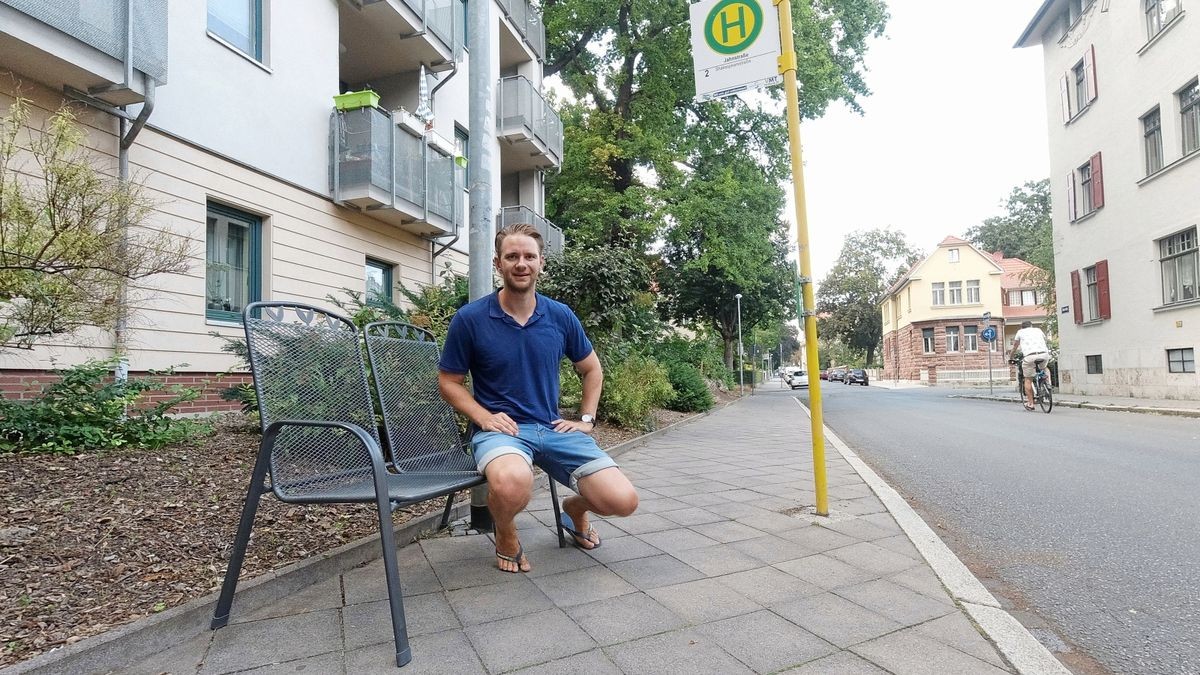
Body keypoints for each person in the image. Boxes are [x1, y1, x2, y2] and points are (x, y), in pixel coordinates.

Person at [437, 223, 639, 573]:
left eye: (529, 256)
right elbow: (449, 381)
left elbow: (592, 370)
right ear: (498, 264)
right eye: (512, 256)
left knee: (623, 500)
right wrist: (483, 417)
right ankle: (506, 532)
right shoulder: (470, 319)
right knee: (516, 481)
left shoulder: (559, 316)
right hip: (503, 431)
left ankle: (574, 510)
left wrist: (586, 419)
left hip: (554, 428)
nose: (521, 264)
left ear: (541, 263)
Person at [1011, 320, 1049, 411]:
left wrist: (1011, 356)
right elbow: (1045, 340)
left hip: (1030, 356)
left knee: (1028, 379)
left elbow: (1015, 346)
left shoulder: (1020, 332)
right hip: (1044, 354)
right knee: (1045, 368)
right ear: (1031, 326)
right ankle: (1048, 385)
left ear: (1022, 327)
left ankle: (1031, 403)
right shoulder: (1038, 330)